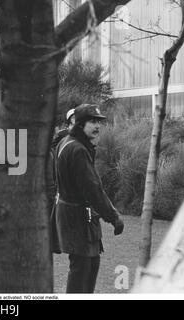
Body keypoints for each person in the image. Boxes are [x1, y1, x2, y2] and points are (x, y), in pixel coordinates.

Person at [53, 103, 124, 293]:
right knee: (82, 270)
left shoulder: (68, 142)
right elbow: (93, 190)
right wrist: (113, 217)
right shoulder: (77, 149)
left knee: (90, 264)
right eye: (92, 122)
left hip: (74, 215)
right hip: (77, 217)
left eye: (99, 122)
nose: (97, 126)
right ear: (80, 124)